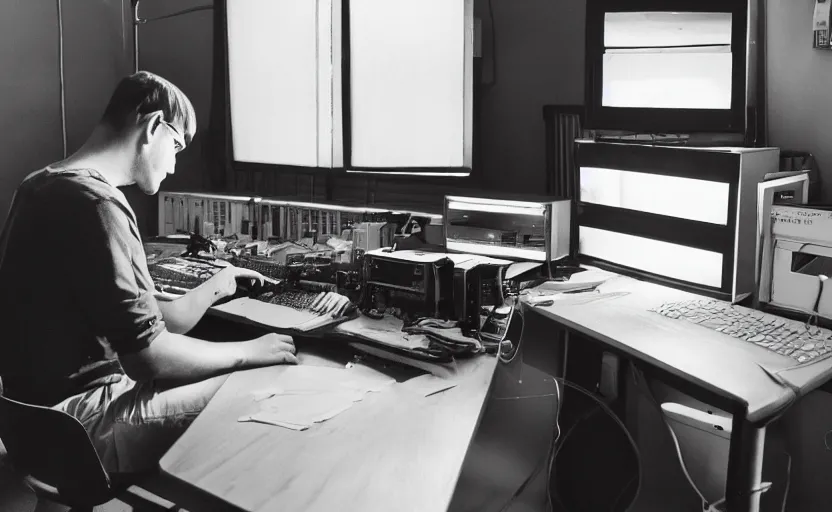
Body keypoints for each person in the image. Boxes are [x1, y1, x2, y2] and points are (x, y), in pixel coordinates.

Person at [0, 71, 298, 475]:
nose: (174, 165)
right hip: (83, 424)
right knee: (254, 386)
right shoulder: (98, 203)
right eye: (175, 146)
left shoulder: (38, 186)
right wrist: (248, 352)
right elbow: (150, 359)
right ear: (153, 126)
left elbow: (152, 322)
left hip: (28, 421)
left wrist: (218, 285)